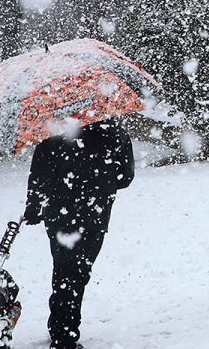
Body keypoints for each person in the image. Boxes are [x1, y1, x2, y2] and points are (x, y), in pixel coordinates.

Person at [23, 119, 134, 349]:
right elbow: (126, 176)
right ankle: (64, 335)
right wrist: (101, 182)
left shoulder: (52, 129)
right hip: (94, 214)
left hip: (58, 214)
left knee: (63, 269)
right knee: (77, 274)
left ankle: (60, 327)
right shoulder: (113, 130)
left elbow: (39, 174)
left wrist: (33, 208)